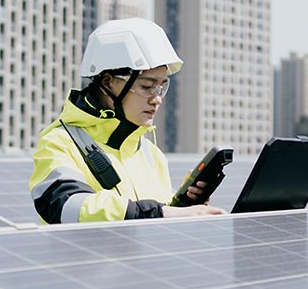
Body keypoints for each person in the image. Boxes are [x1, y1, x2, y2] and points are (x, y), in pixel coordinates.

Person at [28, 18, 225, 224]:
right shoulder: (59, 142)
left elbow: (156, 223)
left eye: (162, 87)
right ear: (108, 82)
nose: (157, 98)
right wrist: (158, 213)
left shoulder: (151, 153)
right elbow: (64, 206)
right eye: (147, 86)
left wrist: (183, 207)